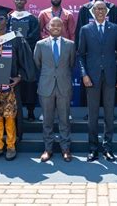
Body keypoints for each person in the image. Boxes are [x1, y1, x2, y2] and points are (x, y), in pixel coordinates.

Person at [0, 5, 36, 161]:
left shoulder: (16, 38)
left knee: (10, 116)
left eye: (1, 18)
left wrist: (20, 77)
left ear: (7, 19)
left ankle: (11, 145)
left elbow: (27, 62)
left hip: (10, 86)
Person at [78, 1, 117, 162]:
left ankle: (108, 148)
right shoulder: (85, 29)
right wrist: (84, 74)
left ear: (107, 12)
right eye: (97, 9)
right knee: (92, 115)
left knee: (109, 115)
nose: (100, 11)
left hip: (111, 76)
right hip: (91, 77)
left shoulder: (115, 28)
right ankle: (92, 148)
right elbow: (81, 55)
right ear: (92, 11)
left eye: (103, 9)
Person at [34, 17, 76, 162]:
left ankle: (66, 149)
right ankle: (48, 149)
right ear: (47, 27)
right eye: (53, 25)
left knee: (64, 120)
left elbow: (72, 63)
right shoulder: (40, 45)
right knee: (47, 120)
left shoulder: (70, 45)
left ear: (63, 27)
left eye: (59, 25)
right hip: (46, 87)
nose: (56, 27)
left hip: (64, 86)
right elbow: (37, 63)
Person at [75, 0, 117, 113]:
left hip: (108, 54)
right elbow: (80, 30)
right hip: (91, 55)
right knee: (91, 87)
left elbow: (116, 29)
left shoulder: (112, 8)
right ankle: (89, 113)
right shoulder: (85, 8)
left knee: (108, 88)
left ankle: (109, 113)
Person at [9, 0, 40, 122]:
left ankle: (31, 111)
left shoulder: (32, 19)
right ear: (14, 1)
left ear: (26, 1)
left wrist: (21, 44)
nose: (20, 1)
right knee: (14, 83)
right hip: (12, 56)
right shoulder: (8, 17)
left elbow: (35, 36)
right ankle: (14, 111)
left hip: (28, 55)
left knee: (29, 83)